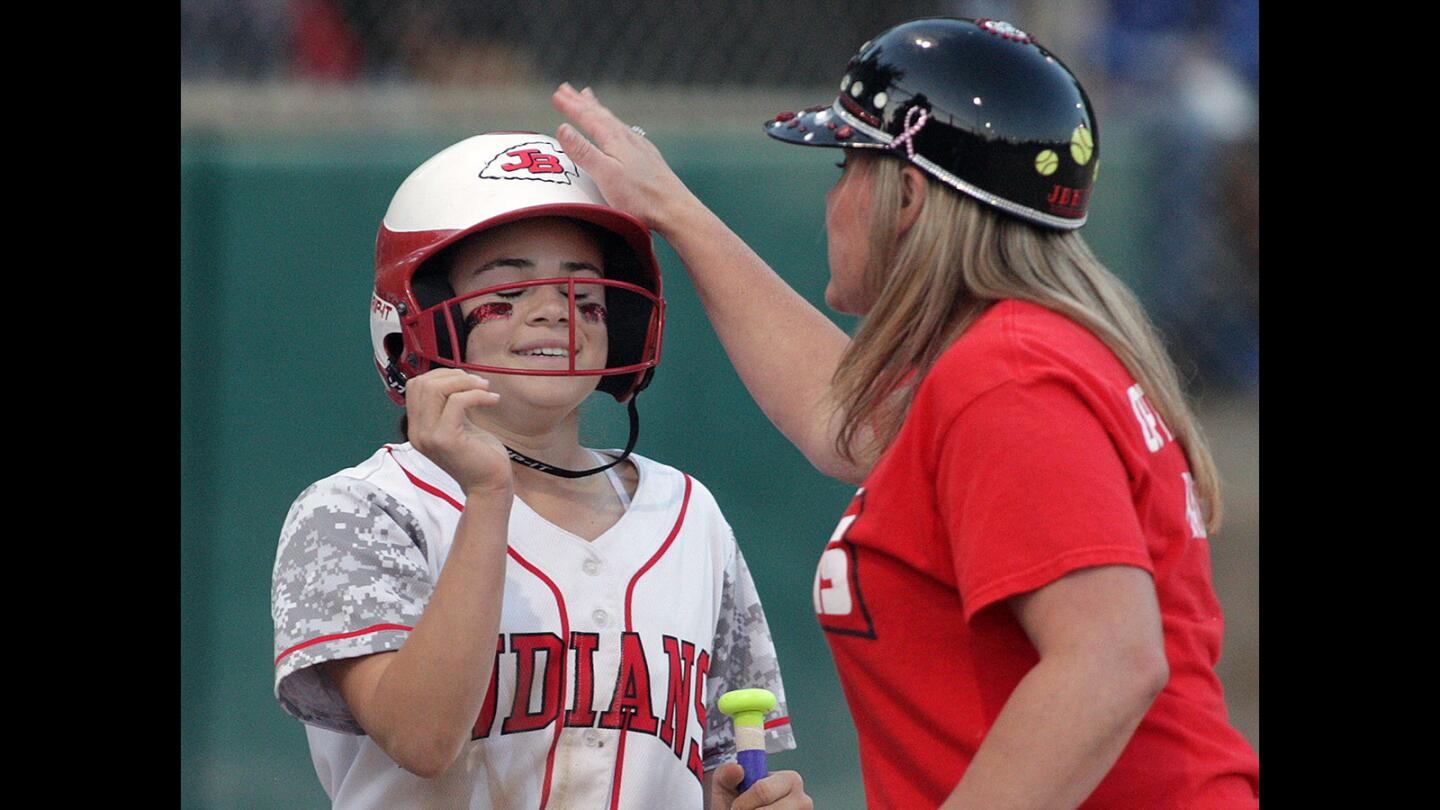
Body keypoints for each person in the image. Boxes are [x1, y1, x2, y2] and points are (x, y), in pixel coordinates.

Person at [551, 16, 1259, 810]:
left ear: (908, 197)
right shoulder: (1018, 356)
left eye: (848, 165)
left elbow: (1111, 662)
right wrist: (678, 213)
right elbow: (842, 415)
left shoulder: (1008, 375)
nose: (834, 198)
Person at [270, 132, 812, 810]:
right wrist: (489, 493)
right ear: (418, 316)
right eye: (510, 289)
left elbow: (706, 764)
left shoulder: (689, 513)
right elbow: (424, 739)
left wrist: (736, 801)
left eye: (586, 296)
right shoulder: (361, 509)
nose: (555, 309)